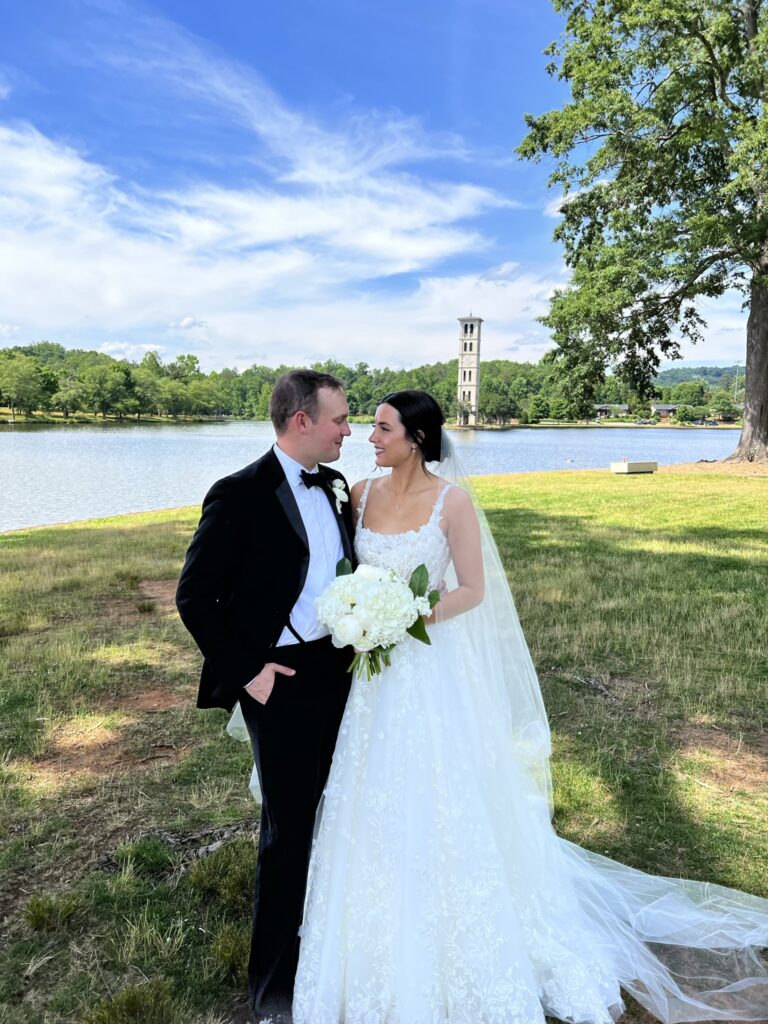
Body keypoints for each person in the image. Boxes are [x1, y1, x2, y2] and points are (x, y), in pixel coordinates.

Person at [290, 389, 768, 1024]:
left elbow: (473, 590)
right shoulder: (359, 495)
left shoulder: (452, 503)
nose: (368, 438)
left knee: (445, 790)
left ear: (418, 439)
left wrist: (409, 612)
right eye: (369, 427)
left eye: (381, 429)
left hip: (429, 667)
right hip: (374, 676)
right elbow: (347, 573)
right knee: (371, 787)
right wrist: (360, 612)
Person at [176, 369, 355, 1021]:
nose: (349, 429)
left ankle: (334, 942)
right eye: (339, 419)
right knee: (288, 827)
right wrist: (248, 669)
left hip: (341, 672)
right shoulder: (238, 494)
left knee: (340, 811)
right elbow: (194, 598)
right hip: (276, 679)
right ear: (301, 421)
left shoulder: (337, 487)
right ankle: (274, 987)